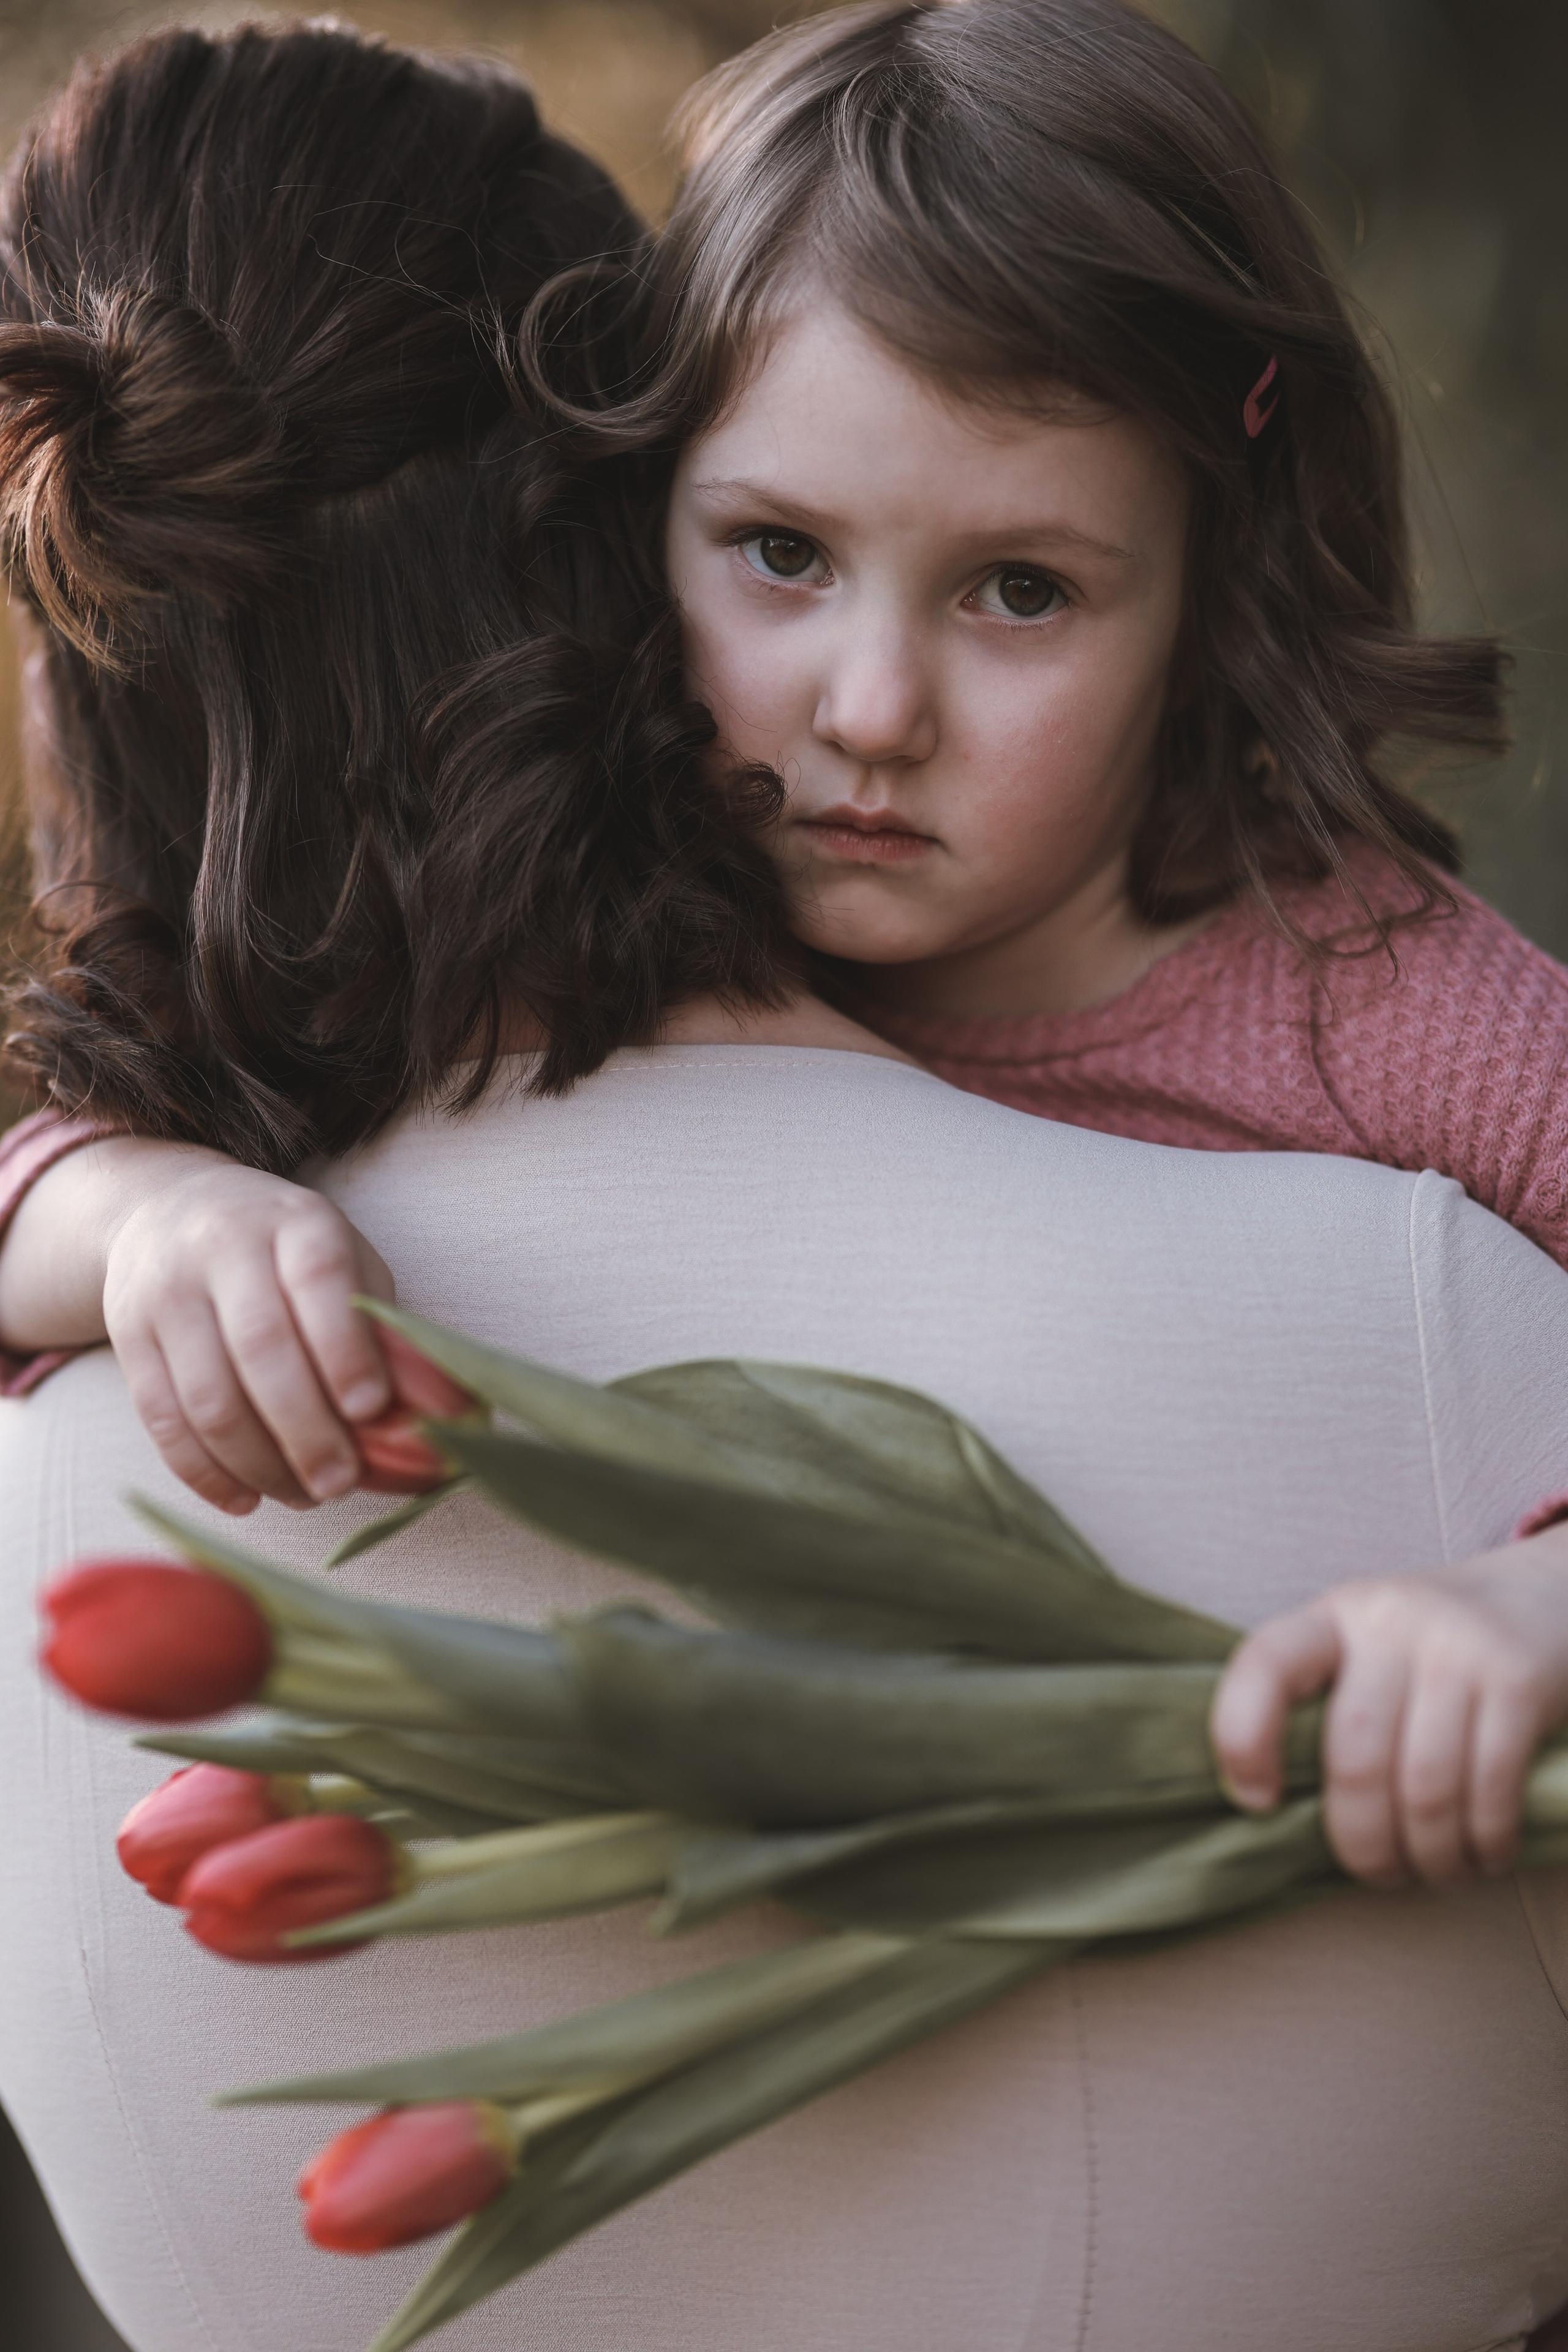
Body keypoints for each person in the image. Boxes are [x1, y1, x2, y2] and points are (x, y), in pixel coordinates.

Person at [5, 15, 1568, 2352]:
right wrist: (126, 1206)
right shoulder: (443, 1075)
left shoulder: (1373, 999)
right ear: (616, 540)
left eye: (1022, 592)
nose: (870, 709)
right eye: (775, 556)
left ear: (1204, 577)